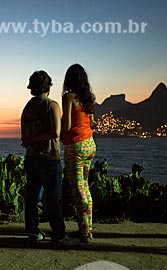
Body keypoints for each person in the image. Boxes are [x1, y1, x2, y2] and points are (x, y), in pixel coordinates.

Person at [21, 70, 80, 246]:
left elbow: (25, 137)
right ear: (48, 86)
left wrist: (31, 140)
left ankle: (33, 231)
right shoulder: (52, 105)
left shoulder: (27, 108)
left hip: (31, 157)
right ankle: (59, 235)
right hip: (49, 157)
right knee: (53, 199)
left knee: (32, 198)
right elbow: (55, 132)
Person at [61, 64, 97, 243]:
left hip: (75, 146)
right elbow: (91, 122)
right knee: (85, 186)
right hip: (90, 144)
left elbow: (67, 126)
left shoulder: (68, 97)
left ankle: (84, 233)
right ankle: (87, 229)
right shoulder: (89, 98)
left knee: (77, 190)